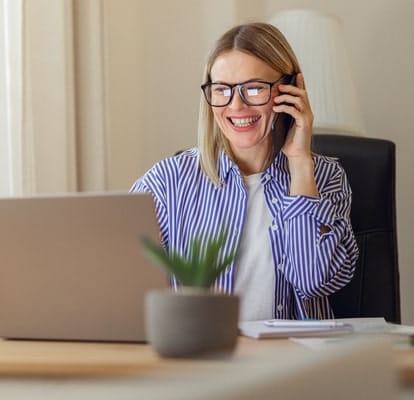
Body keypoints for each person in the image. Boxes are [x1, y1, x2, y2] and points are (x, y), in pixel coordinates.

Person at [131, 22, 358, 321]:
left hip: (292, 362)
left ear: (290, 90)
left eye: (253, 88)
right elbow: (117, 280)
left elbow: (313, 280)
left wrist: (301, 161)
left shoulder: (326, 178)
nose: (236, 106)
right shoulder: (167, 181)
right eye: (222, 90)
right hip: (198, 359)